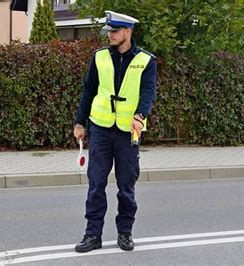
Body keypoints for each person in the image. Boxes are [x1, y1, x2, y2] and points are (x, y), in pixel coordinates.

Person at [73, 10, 157, 253]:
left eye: (115, 31)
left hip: (128, 132)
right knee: (96, 184)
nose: (110, 35)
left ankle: (125, 233)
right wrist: (80, 123)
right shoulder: (99, 57)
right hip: (100, 129)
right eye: (109, 31)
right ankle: (92, 235)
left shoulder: (146, 60)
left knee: (126, 186)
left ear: (128, 32)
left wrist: (140, 116)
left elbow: (148, 92)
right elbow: (88, 91)